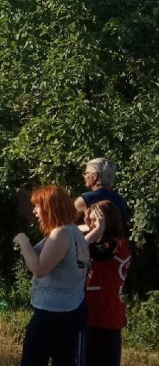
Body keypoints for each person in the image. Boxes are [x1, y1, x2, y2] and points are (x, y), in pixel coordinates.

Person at [14, 185, 93, 366]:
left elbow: (40, 269)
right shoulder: (72, 230)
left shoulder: (60, 234)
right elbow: (36, 255)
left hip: (54, 312)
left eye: (38, 206)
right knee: (64, 359)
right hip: (71, 308)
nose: (34, 211)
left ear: (50, 207)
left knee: (33, 360)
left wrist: (23, 241)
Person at [84, 201, 131, 366]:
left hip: (106, 315)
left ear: (107, 221)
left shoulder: (116, 245)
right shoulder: (106, 242)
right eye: (90, 221)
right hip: (93, 313)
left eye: (95, 221)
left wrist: (98, 228)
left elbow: (90, 250)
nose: (92, 226)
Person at [75, 157, 130, 229]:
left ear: (95, 176)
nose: (85, 176)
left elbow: (66, 224)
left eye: (86, 173)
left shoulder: (84, 200)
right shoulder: (121, 199)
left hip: (93, 239)